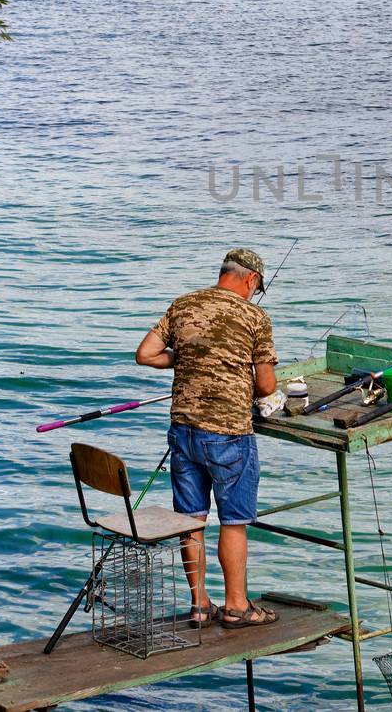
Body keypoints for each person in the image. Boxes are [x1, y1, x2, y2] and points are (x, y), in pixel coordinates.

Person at [135, 247, 279, 629]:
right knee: (233, 521)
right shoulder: (254, 316)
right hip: (229, 432)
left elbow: (146, 355)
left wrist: (186, 357)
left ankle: (200, 605)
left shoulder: (183, 305)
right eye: (257, 287)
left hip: (183, 430)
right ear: (250, 279)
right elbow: (266, 386)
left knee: (191, 519)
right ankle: (236, 606)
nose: (255, 293)